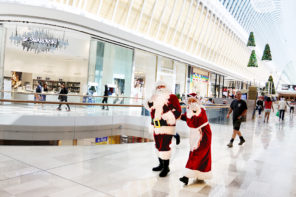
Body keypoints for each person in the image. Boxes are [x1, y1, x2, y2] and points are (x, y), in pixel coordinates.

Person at [145, 81, 181, 177]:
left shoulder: (172, 97)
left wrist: (168, 116)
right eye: (158, 86)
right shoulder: (154, 97)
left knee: (164, 146)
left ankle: (166, 167)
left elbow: (178, 111)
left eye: (162, 86)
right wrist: (150, 101)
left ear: (166, 87)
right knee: (158, 146)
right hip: (156, 126)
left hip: (167, 126)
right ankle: (161, 164)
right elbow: (150, 108)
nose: (160, 88)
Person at [179, 93, 212, 185]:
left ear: (197, 101)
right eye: (190, 101)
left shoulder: (201, 110)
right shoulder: (190, 109)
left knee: (197, 154)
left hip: (203, 135)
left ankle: (186, 176)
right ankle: (200, 174)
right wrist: (177, 115)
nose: (191, 102)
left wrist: (187, 116)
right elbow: (186, 117)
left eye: (194, 101)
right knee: (199, 154)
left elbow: (193, 123)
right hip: (196, 134)